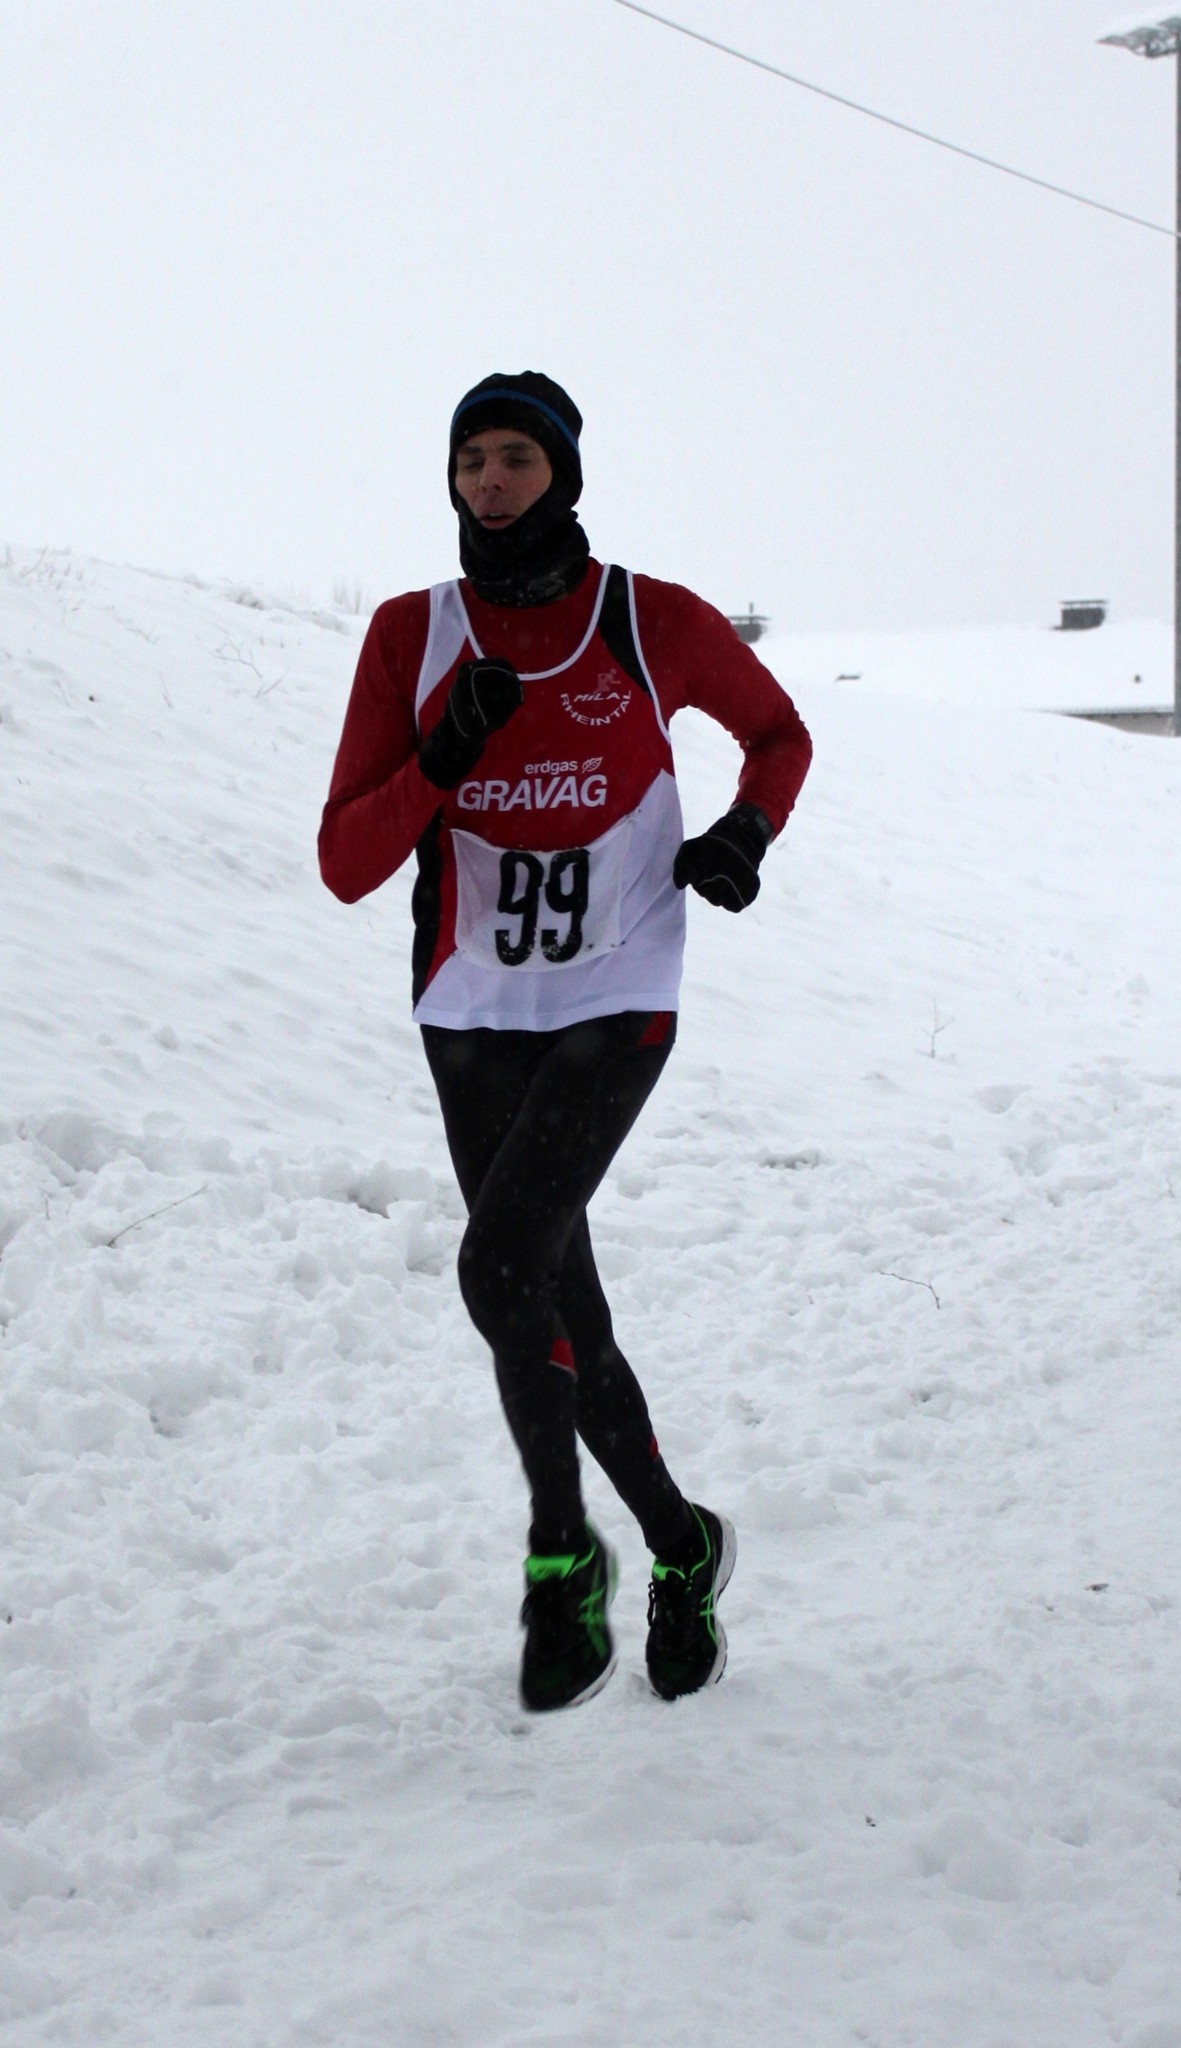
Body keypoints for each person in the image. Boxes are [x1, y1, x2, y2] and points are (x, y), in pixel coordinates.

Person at [319, 371, 812, 1712]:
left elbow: (777, 733)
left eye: (516, 460)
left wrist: (744, 832)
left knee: (494, 1266)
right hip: (471, 1004)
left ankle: (556, 1553)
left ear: (563, 476)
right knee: (549, 1301)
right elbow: (345, 861)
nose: (489, 481)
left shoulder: (646, 620)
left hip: (619, 985)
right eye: (469, 459)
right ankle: (677, 1538)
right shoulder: (407, 636)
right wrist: (440, 759)